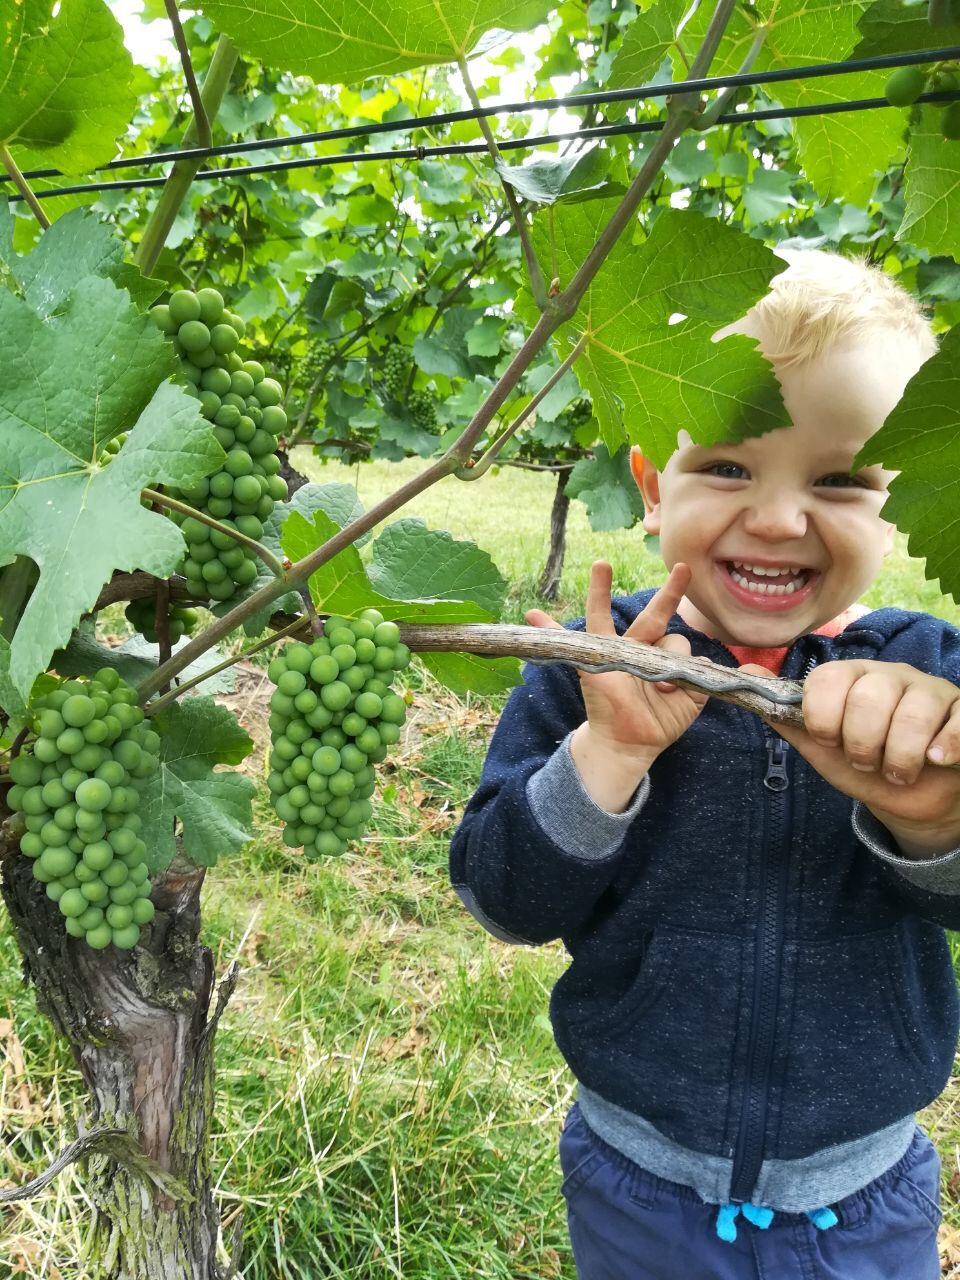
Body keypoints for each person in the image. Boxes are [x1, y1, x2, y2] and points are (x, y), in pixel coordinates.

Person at [448, 249, 960, 1279]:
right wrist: (610, 752)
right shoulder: (588, 677)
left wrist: (934, 821)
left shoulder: (927, 677)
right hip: (640, 1182)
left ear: (890, 497)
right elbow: (504, 900)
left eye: (841, 478)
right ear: (650, 484)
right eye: (728, 466)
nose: (777, 517)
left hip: (866, 1192)